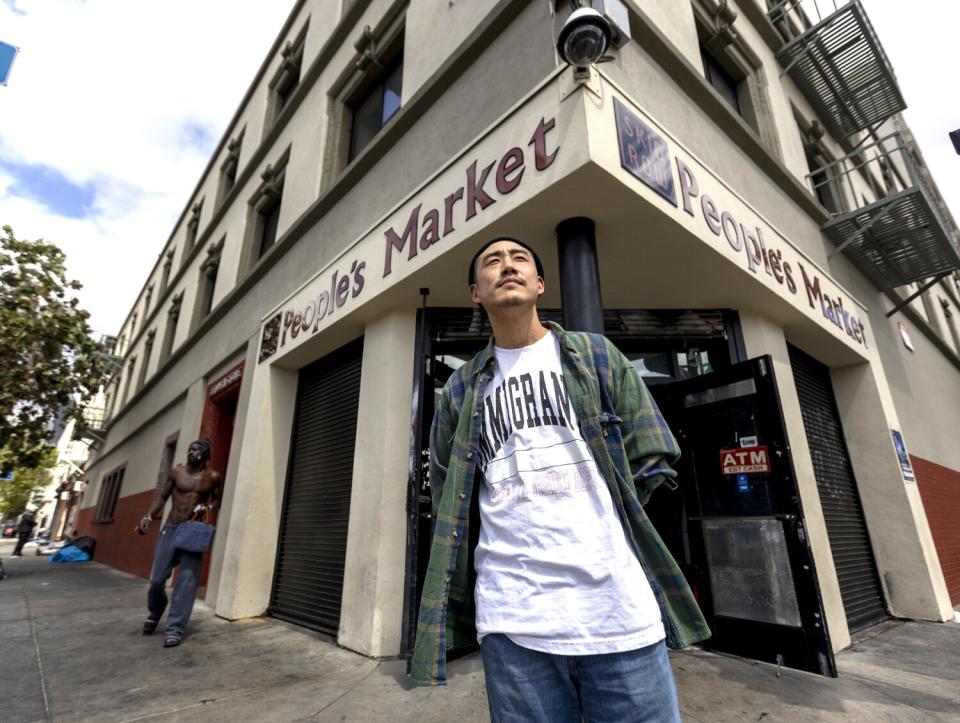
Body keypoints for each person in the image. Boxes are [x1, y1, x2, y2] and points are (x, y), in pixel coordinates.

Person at [410, 237, 710, 720]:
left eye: (519, 259)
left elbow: (653, 455)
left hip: (618, 612)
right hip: (513, 625)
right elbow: (448, 492)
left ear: (540, 283)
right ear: (474, 293)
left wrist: (604, 525)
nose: (507, 265)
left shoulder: (595, 356)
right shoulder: (461, 389)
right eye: (492, 262)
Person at [135, 438, 222, 648]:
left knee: (187, 583)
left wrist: (208, 508)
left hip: (193, 532)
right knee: (157, 579)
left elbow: (218, 500)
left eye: (196, 449)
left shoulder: (213, 477)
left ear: (205, 454)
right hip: (171, 528)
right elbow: (162, 497)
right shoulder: (177, 472)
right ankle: (157, 609)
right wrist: (147, 517)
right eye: (190, 449)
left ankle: (174, 629)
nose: (191, 452)